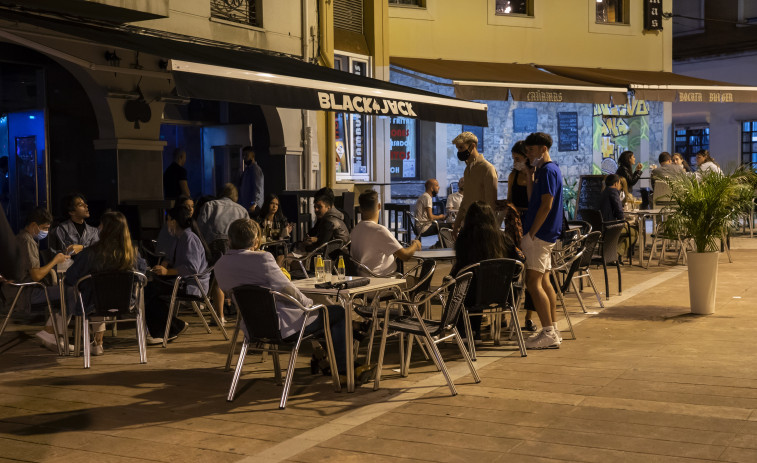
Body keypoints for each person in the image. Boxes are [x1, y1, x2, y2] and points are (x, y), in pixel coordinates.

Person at [214, 218, 350, 377]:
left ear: (230, 239)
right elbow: (287, 288)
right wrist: (308, 304)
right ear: (256, 241)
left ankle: (323, 359)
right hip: (283, 327)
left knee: (323, 318)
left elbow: (234, 292)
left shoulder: (221, 265)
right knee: (336, 313)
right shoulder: (262, 259)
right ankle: (342, 367)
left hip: (253, 327)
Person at [64, 211, 147, 356]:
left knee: (91, 292)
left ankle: (88, 341)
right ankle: (98, 342)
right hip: (127, 304)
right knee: (99, 292)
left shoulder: (90, 254)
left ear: (105, 229)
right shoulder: (133, 254)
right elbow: (141, 277)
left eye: (101, 225)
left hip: (94, 305)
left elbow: (70, 278)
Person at [2, 207, 71, 352]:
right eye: (44, 228)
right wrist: (55, 261)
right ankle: (50, 332)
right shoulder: (27, 242)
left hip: (23, 289)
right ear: (34, 226)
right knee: (72, 293)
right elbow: (36, 276)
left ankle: (53, 334)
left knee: (67, 293)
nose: (45, 231)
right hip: (25, 292)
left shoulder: (23, 238)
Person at [521, 132, 563, 350]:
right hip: (546, 234)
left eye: (531, 150)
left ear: (543, 149)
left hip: (540, 235)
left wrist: (531, 234)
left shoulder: (547, 171)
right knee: (545, 281)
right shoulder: (546, 171)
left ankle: (548, 333)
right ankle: (553, 328)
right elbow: (534, 200)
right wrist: (529, 175)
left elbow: (546, 205)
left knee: (533, 282)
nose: (528, 154)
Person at [450, 201, 509, 343]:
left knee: (460, 285)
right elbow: (520, 259)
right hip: (498, 292)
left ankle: (464, 331)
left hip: (469, 291)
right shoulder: (502, 238)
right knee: (480, 285)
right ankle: (476, 332)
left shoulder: (464, 239)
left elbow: (461, 263)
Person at [144, 205, 204, 342]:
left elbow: (191, 268)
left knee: (150, 292)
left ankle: (165, 331)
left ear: (174, 221)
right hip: (180, 281)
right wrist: (164, 264)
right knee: (148, 290)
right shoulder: (179, 237)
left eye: (168, 220)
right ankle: (169, 328)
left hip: (191, 284)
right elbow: (171, 257)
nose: (167, 224)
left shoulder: (189, 238)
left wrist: (166, 271)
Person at [351, 190, 421, 276]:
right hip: (382, 280)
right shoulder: (379, 230)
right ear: (379, 206)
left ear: (360, 209)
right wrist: (415, 245)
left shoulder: (355, 229)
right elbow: (405, 256)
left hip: (362, 277)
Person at [451, 131, 498, 237]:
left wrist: (489, 228)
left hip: (482, 226)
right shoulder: (468, 169)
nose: (459, 151)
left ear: (472, 146)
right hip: (468, 224)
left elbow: (491, 202)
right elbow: (465, 199)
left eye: (461, 148)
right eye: (458, 148)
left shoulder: (487, 168)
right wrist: (457, 225)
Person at [196, 183, 249, 263]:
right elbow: (247, 234)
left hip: (212, 251)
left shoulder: (209, 205)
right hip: (235, 250)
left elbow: (199, 229)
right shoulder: (242, 210)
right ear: (235, 195)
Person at [600, 174, 639, 259]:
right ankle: (616, 254)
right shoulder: (613, 192)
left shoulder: (603, 192)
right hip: (610, 227)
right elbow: (619, 211)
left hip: (601, 226)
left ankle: (612, 253)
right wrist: (623, 222)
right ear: (616, 183)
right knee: (634, 232)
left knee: (625, 232)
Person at [302, 187, 349, 252]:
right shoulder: (327, 216)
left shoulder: (330, 220)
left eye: (319, 206)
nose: (316, 209)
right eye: (315, 206)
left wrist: (305, 247)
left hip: (332, 254)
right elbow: (314, 233)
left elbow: (322, 246)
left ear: (328, 204)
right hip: (335, 252)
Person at [156, 195, 194, 262]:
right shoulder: (174, 224)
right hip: (167, 260)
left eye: (192, 206)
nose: (190, 209)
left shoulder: (191, 224)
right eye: (187, 206)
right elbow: (166, 250)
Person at [238, 146, 264, 215]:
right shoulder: (247, 170)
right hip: (245, 206)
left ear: (252, 155)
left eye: (246, 155)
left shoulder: (255, 169)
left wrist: (254, 204)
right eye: (243, 155)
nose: (244, 157)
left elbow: (258, 188)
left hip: (252, 208)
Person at [507, 140, 530, 218]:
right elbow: (509, 198)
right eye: (513, 159)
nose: (514, 162)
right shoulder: (513, 175)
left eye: (517, 159)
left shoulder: (536, 175)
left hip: (532, 216)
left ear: (526, 158)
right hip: (516, 216)